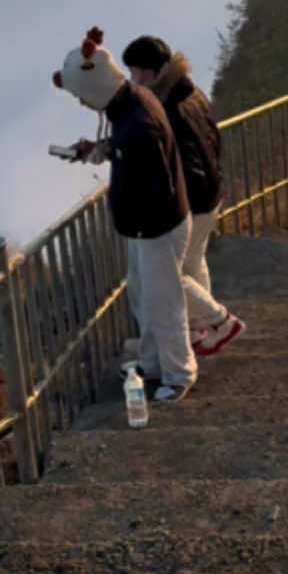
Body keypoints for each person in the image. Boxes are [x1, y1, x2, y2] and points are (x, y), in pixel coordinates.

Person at [52, 27, 195, 404]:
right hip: (147, 227)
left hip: (157, 228)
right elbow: (125, 145)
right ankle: (150, 364)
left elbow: (155, 185)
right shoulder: (132, 102)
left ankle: (179, 374)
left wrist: (116, 156)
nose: (82, 103)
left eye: (82, 95)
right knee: (144, 296)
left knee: (163, 303)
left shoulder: (137, 126)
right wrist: (101, 150)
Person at [122, 35, 244, 358]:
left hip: (193, 201)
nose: (132, 80)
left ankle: (218, 321)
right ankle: (198, 333)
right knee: (192, 264)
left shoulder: (166, 108)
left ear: (149, 72)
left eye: (134, 72)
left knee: (167, 275)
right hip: (211, 194)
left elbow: (178, 161)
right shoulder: (190, 92)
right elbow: (212, 139)